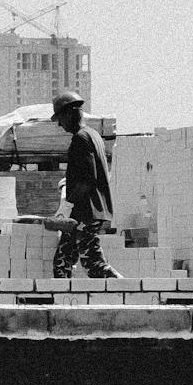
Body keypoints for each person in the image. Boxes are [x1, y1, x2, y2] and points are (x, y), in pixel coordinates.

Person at [49, 90, 118, 279]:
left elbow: (87, 180)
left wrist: (67, 206)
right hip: (88, 211)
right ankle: (63, 305)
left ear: (70, 113)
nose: (59, 124)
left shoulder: (81, 138)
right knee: (62, 262)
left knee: (94, 264)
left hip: (86, 212)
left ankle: (131, 294)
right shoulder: (93, 135)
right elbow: (86, 174)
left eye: (60, 118)